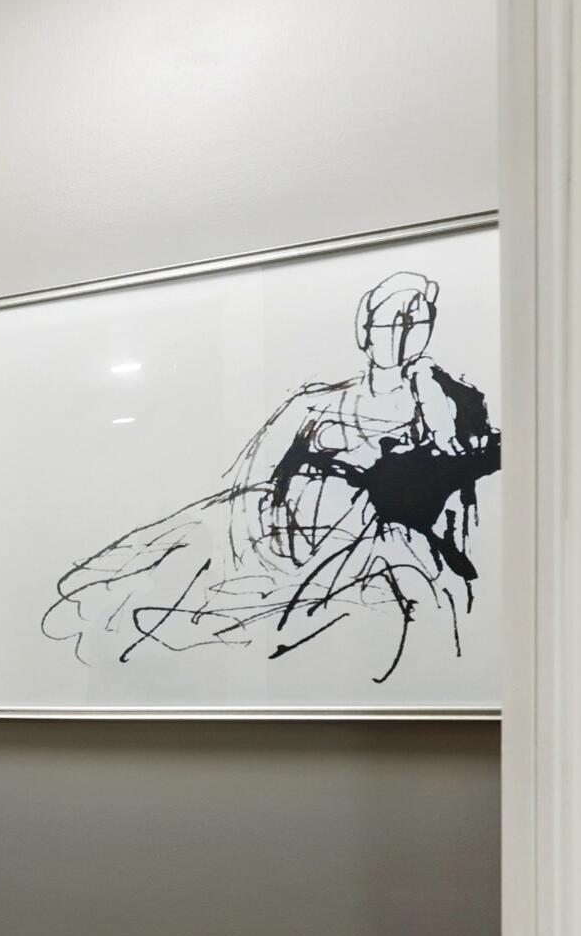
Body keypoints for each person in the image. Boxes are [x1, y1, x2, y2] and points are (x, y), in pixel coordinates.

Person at [44, 270, 500, 683]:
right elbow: (256, 469)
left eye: (414, 321)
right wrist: (256, 521)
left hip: (373, 534)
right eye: (389, 321)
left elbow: (459, 473)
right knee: (184, 549)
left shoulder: (450, 399)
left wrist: (430, 391)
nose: (400, 334)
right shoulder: (316, 400)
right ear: (366, 332)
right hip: (280, 528)